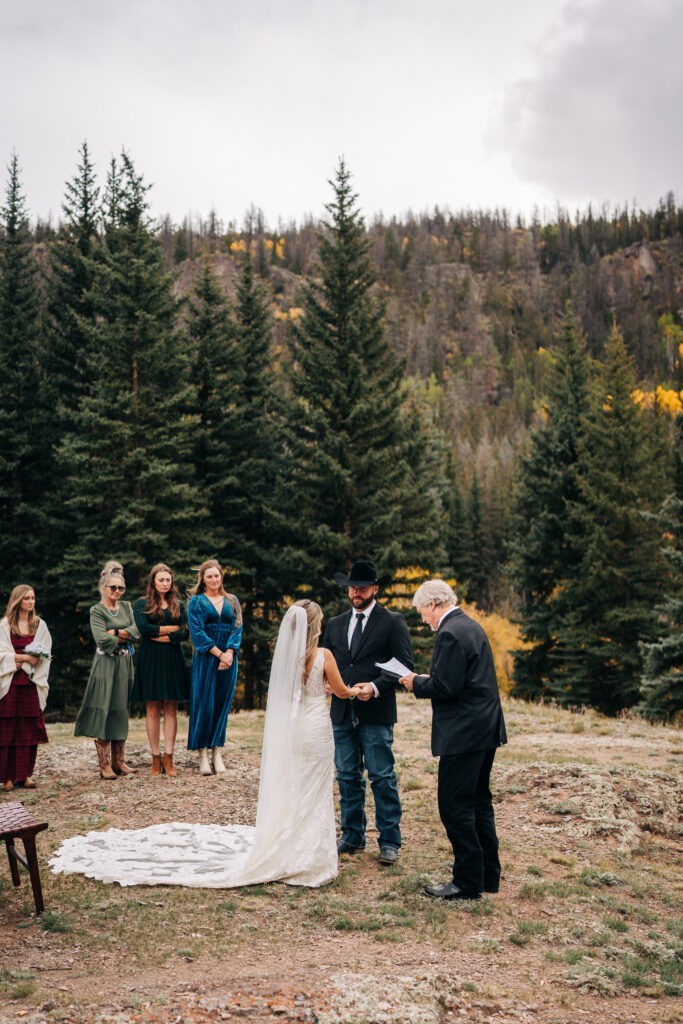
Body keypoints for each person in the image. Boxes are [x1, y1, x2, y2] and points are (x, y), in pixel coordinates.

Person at [50, 601, 362, 888]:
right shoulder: (324, 656)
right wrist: (353, 690)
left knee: (297, 784)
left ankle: (293, 846)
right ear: (313, 626)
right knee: (315, 787)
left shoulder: (288, 656)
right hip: (317, 729)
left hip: (296, 730)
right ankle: (311, 854)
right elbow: (340, 690)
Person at [399, 579, 507, 900]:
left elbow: (447, 687)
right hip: (486, 729)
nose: (423, 620)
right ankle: (488, 875)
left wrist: (415, 682)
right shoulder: (471, 625)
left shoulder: (449, 633)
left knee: (454, 806)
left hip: (463, 734)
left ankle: (466, 881)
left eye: (422, 613)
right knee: (479, 802)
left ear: (433, 604)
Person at [323, 560, 413, 866]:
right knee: (347, 775)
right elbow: (326, 661)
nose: (356, 591)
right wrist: (325, 683)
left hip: (376, 711)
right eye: (352, 586)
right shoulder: (334, 624)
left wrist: (374, 687)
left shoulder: (392, 621)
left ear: (375, 588)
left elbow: (403, 667)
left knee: (381, 776)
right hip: (341, 712)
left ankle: (389, 841)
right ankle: (352, 835)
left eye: (362, 587)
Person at [74, 562, 140, 779]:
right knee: (105, 704)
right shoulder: (97, 610)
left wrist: (117, 631)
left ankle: (119, 761)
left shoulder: (127, 607)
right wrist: (122, 634)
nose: (117, 592)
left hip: (124, 663)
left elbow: (136, 630)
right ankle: (104, 764)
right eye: (113, 588)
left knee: (121, 707)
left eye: (121, 588)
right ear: (104, 588)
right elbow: (101, 639)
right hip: (105, 663)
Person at [132, 564, 188, 777]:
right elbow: (144, 629)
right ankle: (155, 758)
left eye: (168, 580)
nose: (165, 583)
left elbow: (184, 632)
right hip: (151, 659)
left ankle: (169, 757)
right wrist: (170, 629)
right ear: (153, 582)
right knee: (153, 709)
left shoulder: (179, 605)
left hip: (172, 658)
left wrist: (160, 634)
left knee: (171, 708)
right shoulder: (141, 604)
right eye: (161, 580)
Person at [187, 560, 242, 776]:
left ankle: (217, 751)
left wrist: (229, 653)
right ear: (203, 579)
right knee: (205, 705)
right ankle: (202, 753)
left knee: (221, 705)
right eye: (209, 576)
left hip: (229, 658)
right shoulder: (196, 602)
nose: (214, 580)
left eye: (217, 576)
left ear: (221, 577)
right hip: (206, 658)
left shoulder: (232, 600)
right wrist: (219, 653)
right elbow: (197, 633)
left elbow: (237, 627)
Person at [0, 585, 51, 791]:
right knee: (8, 730)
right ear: (18, 600)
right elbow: (1, 653)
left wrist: (29, 663)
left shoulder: (39, 625)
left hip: (30, 682)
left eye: (33, 598)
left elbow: (45, 654)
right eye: (27, 598)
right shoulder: (5, 626)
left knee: (27, 731)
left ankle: (25, 774)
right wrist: (21, 659)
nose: (31, 602)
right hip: (10, 683)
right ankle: (7, 777)